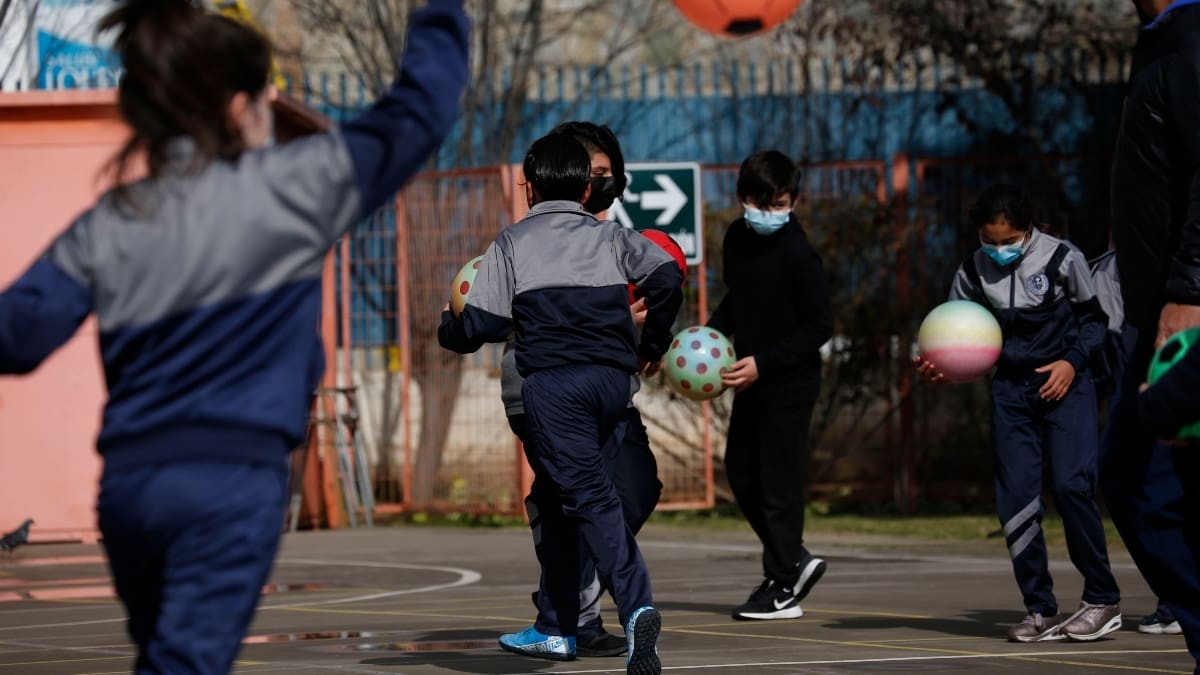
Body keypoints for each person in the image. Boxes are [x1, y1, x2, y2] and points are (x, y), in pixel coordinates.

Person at [0, 1, 468, 672]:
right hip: (227, 484)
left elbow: (18, 335)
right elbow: (420, 109)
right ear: (236, 107)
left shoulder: (108, 222)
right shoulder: (295, 186)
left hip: (129, 491)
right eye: (264, 102)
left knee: (167, 657)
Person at [438, 133, 683, 675]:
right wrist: (652, 344)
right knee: (562, 498)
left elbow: (479, 325)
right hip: (613, 386)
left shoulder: (513, 242)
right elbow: (666, 275)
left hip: (554, 388)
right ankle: (555, 627)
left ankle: (637, 606)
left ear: (532, 186)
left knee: (592, 501)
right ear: (583, 186)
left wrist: (448, 325)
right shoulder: (610, 235)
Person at [915, 184, 1121, 643]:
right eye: (991, 241)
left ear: (1030, 229)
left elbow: (1095, 321)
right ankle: (1040, 609)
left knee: (1072, 485)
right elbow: (960, 337)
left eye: (1010, 241)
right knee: (1017, 504)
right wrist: (941, 367)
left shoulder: (1061, 258)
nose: (1000, 250)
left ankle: (1102, 598)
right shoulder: (971, 271)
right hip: (1011, 393)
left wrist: (1071, 363)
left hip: (1066, 386)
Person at [1103, 1, 1200, 670]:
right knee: (1142, 481)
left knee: (1142, 481)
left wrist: (1190, 291)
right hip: (1159, 311)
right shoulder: (1164, 42)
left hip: (1184, 316)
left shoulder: (1192, 41)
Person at [705, 150, 834, 621]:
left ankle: (783, 584)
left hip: (789, 383)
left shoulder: (799, 253)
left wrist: (763, 363)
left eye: (782, 204)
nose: (772, 213)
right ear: (743, 199)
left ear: (794, 200)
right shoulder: (738, 237)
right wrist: (709, 337)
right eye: (764, 204)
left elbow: (820, 326)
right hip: (751, 381)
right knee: (741, 472)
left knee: (778, 485)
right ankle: (793, 559)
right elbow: (738, 299)